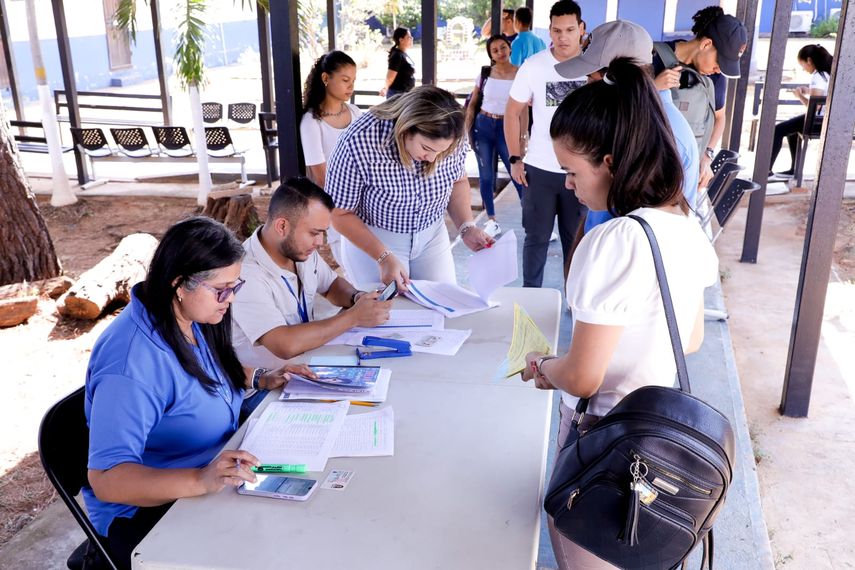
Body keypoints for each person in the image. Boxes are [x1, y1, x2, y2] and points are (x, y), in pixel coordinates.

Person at [522, 58, 718, 569]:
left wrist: (545, 367)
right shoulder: (684, 224)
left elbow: (586, 376)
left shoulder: (610, 240)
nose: (567, 184)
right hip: (661, 438)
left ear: (608, 162)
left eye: (571, 171)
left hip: (604, 438)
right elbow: (690, 338)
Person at [83, 217, 315, 569]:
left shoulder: (187, 317)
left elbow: (203, 377)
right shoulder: (131, 365)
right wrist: (200, 479)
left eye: (235, 286)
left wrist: (261, 379)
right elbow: (108, 479)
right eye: (222, 289)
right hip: (151, 512)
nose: (230, 300)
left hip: (211, 475)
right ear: (180, 284)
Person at [326, 85, 494, 291]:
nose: (432, 158)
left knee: (444, 303)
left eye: (441, 152)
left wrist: (466, 227)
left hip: (432, 234)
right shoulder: (358, 140)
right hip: (376, 237)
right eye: (426, 148)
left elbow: (457, 181)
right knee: (388, 314)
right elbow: (339, 214)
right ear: (407, 128)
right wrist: (383, 256)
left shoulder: (452, 134)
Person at [231, 177, 392, 372]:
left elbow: (332, 285)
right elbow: (284, 345)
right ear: (282, 226)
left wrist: (356, 297)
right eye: (314, 233)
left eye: (323, 233)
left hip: (306, 367)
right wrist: (353, 317)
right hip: (267, 388)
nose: (320, 242)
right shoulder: (244, 274)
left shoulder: (297, 250)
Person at [554, 20, 700, 234]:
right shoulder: (627, 120)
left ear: (615, 78)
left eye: (590, 77)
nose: (587, 87)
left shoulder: (659, 134)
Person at [505, 0, 588, 288]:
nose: (562, 37)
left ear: (581, 29)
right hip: (539, 168)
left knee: (575, 242)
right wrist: (515, 158)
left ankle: (576, 302)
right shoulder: (534, 66)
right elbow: (513, 112)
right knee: (536, 238)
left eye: (569, 30)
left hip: (580, 173)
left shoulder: (595, 69)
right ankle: (531, 297)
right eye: (556, 30)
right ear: (549, 31)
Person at [651, 6, 748, 187]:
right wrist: (654, 88)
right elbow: (624, 109)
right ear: (706, 44)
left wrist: (706, 155)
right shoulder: (652, 58)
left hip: (686, 175)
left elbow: (720, 117)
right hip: (649, 168)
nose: (719, 70)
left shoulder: (715, 77)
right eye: (720, 62)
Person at [300, 50, 363, 266]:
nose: (351, 86)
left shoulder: (355, 113)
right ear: (326, 78)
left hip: (366, 203)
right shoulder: (312, 122)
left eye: (353, 81)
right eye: (345, 80)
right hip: (338, 206)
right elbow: (321, 177)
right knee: (351, 266)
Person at [465, 34, 524, 236]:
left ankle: (533, 222)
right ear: (490, 54)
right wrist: (466, 132)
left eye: (503, 47)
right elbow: (473, 104)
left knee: (517, 174)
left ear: (510, 48)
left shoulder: (520, 74)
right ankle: (491, 220)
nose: (500, 52)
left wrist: (523, 137)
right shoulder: (485, 73)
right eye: (495, 50)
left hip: (507, 127)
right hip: (483, 126)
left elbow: (524, 108)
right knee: (486, 176)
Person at [768, 44, 833, 180]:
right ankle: (794, 170)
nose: (803, 69)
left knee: (778, 130)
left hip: (818, 122)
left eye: (802, 65)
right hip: (828, 119)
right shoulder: (827, 73)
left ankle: (766, 170)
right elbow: (823, 94)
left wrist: (800, 97)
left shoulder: (817, 76)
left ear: (809, 61)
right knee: (791, 130)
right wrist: (808, 90)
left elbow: (813, 109)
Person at [380, 28, 415, 98]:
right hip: (397, 95)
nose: (412, 39)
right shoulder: (397, 55)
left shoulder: (403, 54)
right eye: (409, 37)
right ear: (401, 40)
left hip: (405, 94)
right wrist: (385, 88)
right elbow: (390, 77)